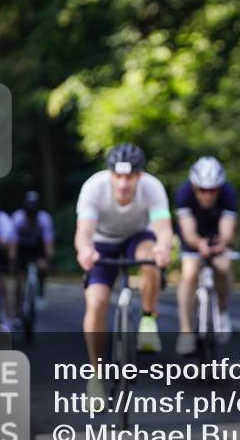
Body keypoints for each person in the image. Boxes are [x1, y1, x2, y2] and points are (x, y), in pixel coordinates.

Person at [74, 143, 172, 397]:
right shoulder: (93, 188)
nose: (123, 183)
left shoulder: (152, 187)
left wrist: (163, 248)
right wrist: (85, 250)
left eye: (129, 177)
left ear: (140, 175)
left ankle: (148, 320)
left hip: (138, 236)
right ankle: (96, 376)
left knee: (150, 258)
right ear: (110, 174)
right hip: (102, 241)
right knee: (96, 303)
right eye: (118, 176)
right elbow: (84, 232)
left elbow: (163, 228)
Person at [173, 156, 238, 355]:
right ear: (194, 187)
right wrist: (199, 243)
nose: (208, 195)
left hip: (216, 235)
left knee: (223, 267)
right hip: (192, 236)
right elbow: (187, 229)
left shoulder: (228, 194)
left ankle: (222, 308)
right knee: (190, 273)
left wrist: (222, 243)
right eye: (203, 190)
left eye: (213, 190)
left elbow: (227, 229)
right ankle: (185, 331)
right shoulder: (183, 193)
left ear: (219, 188)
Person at [12, 191, 55, 309]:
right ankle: (17, 309)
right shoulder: (17, 218)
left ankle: (40, 290)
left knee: (42, 267)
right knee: (19, 279)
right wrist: (13, 258)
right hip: (22, 248)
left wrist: (49, 258)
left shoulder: (44, 219)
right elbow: (13, 242)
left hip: (37, 248)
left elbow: (48, 241)